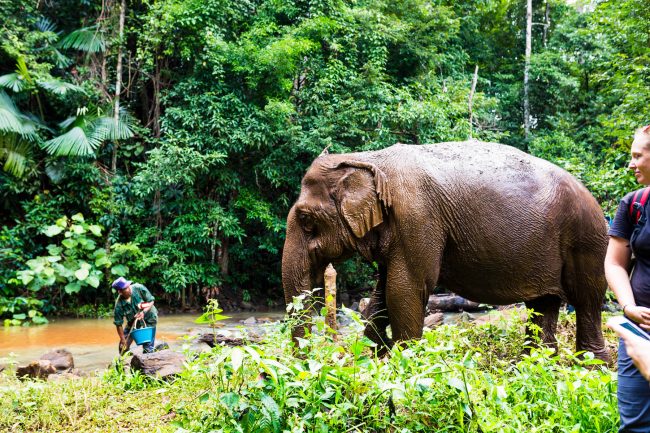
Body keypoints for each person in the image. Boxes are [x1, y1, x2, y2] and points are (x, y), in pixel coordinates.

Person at [605, 124, 650, 432]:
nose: (631, 164)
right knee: (634, 424)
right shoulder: (633, 204)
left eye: (637, 155)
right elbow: (614, 262)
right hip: (639, 328)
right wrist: (628, 307)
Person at [112, 276, 158, 354]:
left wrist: (143, 312)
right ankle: (127, 363)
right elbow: (118, 324)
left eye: (128, 286)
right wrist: (123, 340)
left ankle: (148, 358)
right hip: (133, 321)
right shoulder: (119, 305)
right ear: (120, 292)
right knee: (122, 348)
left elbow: (151, 301)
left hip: (149, 317)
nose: (129, 288)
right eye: (125, 288)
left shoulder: (138, 288)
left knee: (148, 348)